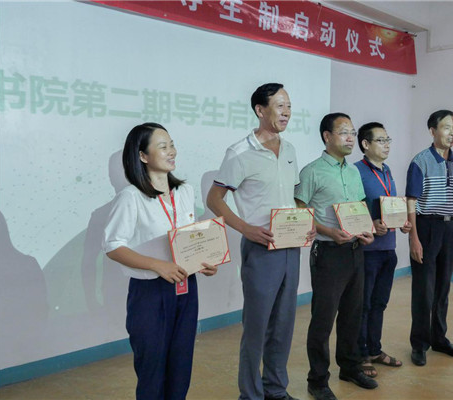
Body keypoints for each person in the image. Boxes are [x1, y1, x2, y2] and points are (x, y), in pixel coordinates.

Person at [206, 83, 313, 400]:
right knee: (257, 326)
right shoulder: (240, 152)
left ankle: (275, 389)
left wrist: (305, 223)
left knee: (283, 323)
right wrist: (246, 229)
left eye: (289, 106)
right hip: (261, 249)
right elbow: (214, 199)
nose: (287, 112)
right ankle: (250, 394)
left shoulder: (290, 149)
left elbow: (291, 198)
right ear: (260, 110)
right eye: (280, 105)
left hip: (290, 246)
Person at [103, 122, 218, 400]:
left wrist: (204, 260)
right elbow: (112, 246)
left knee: (181, 364)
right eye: (163, 147)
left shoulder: (185, 191)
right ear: (143, 156)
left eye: (172, 145)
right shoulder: (131, 197)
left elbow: (188, 237)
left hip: (186, 286)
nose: (172, 151)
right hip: (150, 293)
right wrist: (157, 265)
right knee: (152, 368)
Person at [295, 113, 377, 400]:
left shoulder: (353, 172)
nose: (350, 138)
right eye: (344, 132)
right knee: (323, 319)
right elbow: (299, 212)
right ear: (327, 136)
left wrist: (368, 230)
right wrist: (327, 231)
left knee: (353, 315)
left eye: (352, 132)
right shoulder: (311, 171)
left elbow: (359, 208)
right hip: (328, 253)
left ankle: (350, 367)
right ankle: (317, 379)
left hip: (355, 251)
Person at [405, 110, 453, 367]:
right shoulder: (420, 161)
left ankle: (439, 338)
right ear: (432, 131)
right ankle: (419, 344)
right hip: (426, 226)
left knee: (443, 287)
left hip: (450, 228)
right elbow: (411, 201)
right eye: (446, 127)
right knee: (424, 289)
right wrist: (414, 238)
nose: (452, 132)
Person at [354, 122, 412, 377]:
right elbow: (351, 210)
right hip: (367, 251)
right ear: (365, 144)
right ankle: (361, 354)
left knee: (379, 303)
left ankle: (375, 350)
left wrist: (403, 222)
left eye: (388, 140)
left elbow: (391, 207)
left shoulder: (386, 170)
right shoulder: (356, 171)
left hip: (389, 248)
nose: (387, 145)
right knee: (363, 305)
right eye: (381, 140)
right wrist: (369, 225)